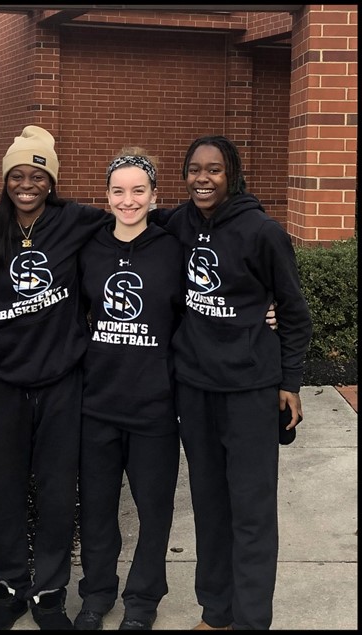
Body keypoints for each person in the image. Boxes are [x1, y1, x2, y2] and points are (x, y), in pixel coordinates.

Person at [154, 135, 312, 630]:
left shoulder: (263, 232)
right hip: (196, 388)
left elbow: (294, 312)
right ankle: (216, 614)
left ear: (232, 174)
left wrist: (290, 381)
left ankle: (249, 620)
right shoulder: (178, 222)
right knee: (209, 507)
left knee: (251, 513)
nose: (203, 178)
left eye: (214, 170)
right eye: (194, 169)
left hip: (249, 390)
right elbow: (126, 222)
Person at [0, 125, 112, 630]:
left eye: (37, 175)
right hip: (4, 380)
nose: (27, 184)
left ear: (51, 181)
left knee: (57, 490)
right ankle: (8, 586)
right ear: (6, 179)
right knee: (4, 488)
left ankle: (50, 591)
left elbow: (142, 225)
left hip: (60, 380)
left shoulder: (75, 220)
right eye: (17, 175)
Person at [73, 149, 184, 631]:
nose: (128, 199)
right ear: (107, 195)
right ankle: (97, 594)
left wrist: (263, 311)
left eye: (139, 190)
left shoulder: (173, 248)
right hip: (97, 403)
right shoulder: (89, 248)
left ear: (155, 196)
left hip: (155, 407)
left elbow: (204, 304)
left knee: (154, 511)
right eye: (119, 190)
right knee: (97, 512)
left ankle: (143, 599)